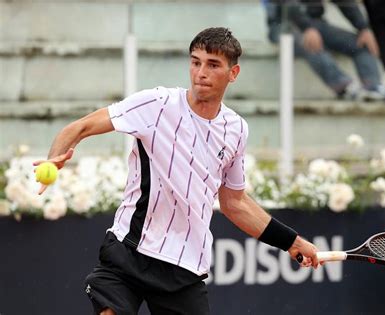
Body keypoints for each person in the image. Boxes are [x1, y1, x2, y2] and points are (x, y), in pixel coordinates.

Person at [33, 27, 319, 315]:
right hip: (129, 250)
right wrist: (53, 159)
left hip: (183, 266)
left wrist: (291, 242)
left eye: (213, 65)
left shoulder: (236, 130)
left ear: (233, 74)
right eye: (195, 62)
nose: (200, 73)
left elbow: (235, 203)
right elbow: (78, 128)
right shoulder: (157, 104)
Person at [264, 0, 385, 100]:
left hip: (316, 23)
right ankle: (345, 87)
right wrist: (306, 27)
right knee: (309, 43)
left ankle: (372, 87)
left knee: (362, 44)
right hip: (284, 24)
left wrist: (364, 27)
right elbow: (286, 4)